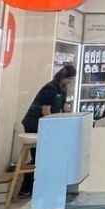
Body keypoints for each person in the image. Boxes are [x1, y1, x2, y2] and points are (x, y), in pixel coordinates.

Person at [17, 64, 76, 195]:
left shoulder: (62, 88)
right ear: (64, 77)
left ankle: (32, 187)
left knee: (41, 156)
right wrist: (54, 126)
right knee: (38, 156)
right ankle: (26, 188)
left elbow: (60, 108)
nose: (70, 82)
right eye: (70, 79)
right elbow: (45, 110)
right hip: (34, 124)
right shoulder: (50, 88)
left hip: (45, 125)